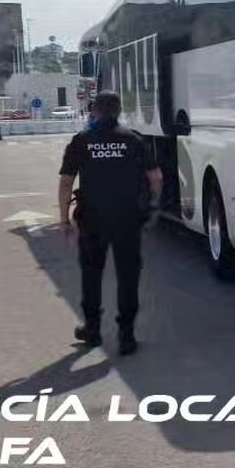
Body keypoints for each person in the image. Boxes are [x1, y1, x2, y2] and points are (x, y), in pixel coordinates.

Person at [57, 91, 161, 355]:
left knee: (91, 273)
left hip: (92, 219)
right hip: (127, 219)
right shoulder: (133, 140)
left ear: (95, 111)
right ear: (118, 111)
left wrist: (63, 219)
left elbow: (67, 181)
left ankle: (92, 330)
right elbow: (156, 178)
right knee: (128, 275)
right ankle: (126, 335)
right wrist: (153, 206)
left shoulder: (82, 141)